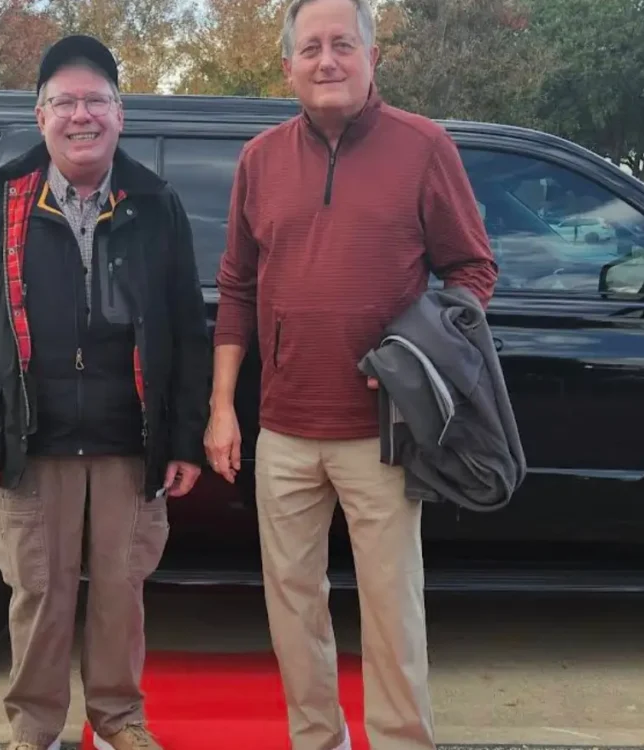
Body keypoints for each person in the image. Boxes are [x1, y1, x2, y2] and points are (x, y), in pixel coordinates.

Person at [203, 0, 499, 748]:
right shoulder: (259, 160)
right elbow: (236, 285)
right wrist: (222, 407)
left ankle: (402, 741)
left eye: (342, 44)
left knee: (391, 608)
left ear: (373, 58)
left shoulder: (424, 148)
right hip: (283, 429)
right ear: (288, 67)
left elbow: (472, 270)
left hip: (385, 434)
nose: (326, 60)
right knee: (292, 606)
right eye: (310, 48)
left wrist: (424, 350)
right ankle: (318, 740)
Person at [0, 34, 210, 750]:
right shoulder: (1, 200)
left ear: (121, 114)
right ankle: (35, 728)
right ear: (41, 116)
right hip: (32, 438)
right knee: (39, 594)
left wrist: (184, 437)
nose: (80, 115)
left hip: (132, 439)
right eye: (65, 101)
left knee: (121, 596)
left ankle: (119, 720)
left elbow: (187, 327)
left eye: (96, 100)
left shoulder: (156, 202)